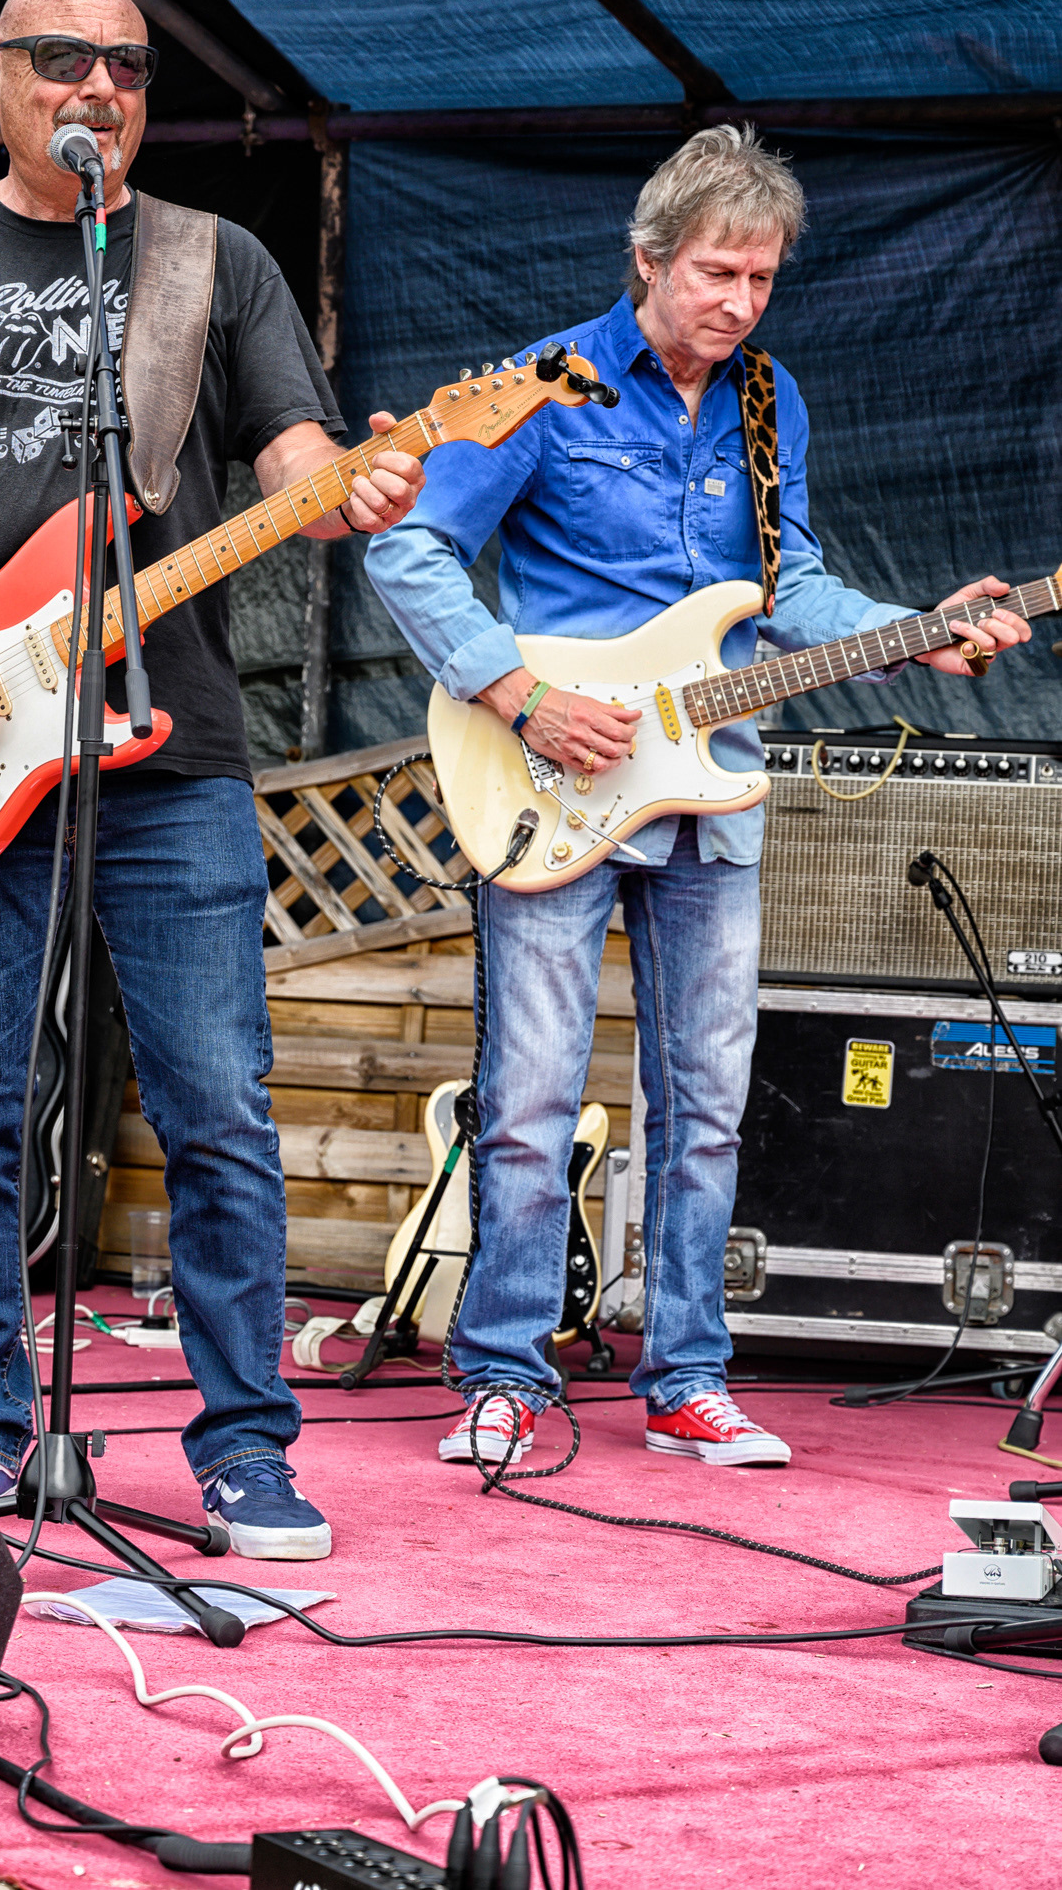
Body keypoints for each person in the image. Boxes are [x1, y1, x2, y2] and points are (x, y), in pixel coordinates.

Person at [0, 0, 424, 1559]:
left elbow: (294, 458)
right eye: (64, 60)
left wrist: (352, 484)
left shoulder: (209, 260)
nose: (100, 87)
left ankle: (245, 1445)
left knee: (218, 1108)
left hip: (169, 752)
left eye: (127, 65)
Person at [364, 125, 1029, 1470]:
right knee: (530, 1099)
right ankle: (504, 1376)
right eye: (716, 273)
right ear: (649, 258)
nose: (737, 302)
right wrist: (521, 696)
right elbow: (408, 546)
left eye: (760, 279)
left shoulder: (768, 402)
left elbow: (790, 592)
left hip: (712, 790)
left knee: (708, 1105)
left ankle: (685, 1378)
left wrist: (916, 631)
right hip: (552, 777)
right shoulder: (544, 387)